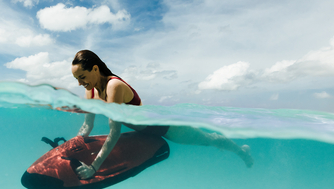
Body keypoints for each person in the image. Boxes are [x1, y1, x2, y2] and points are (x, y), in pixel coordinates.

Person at [71, 50, 254, 179]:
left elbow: (115, 131)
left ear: (95, 69)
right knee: (207, 139)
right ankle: (240, 150)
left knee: (208, 139)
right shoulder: (91, 89)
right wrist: (76, 141)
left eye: (82, 77)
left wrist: (94, 168)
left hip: (163, 126)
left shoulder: (114, 86)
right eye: (76, 79)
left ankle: (241, 151)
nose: (80, 83)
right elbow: (88, 125)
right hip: (142, 131)